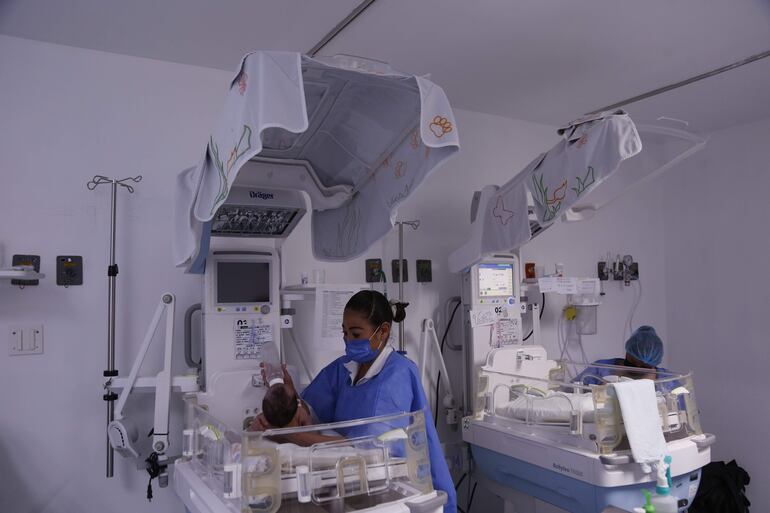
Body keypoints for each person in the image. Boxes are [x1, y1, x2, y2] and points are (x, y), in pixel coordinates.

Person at [252, 289, 457, 513]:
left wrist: (289, 435)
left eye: (356, 334)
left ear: (383, 331)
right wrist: (291, 396)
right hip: (358, 484)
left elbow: (371, 448)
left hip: (408, 488)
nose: (348, 341)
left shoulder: (398, 374)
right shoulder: (345, 367)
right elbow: (311, 411)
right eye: (345, 333)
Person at [574, 325, 668, 385]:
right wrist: (598, 392)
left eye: (644, 366)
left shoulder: (666, 381)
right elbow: (571, 393)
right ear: (628, 351)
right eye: (633, 362)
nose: (637, 367)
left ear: (654, 363)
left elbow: (680, 408)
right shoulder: (600, 369)